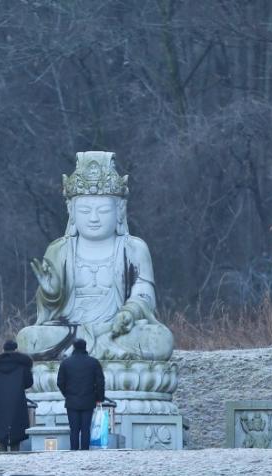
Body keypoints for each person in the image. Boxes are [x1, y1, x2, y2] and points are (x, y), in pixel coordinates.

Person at [16, 151, 174, 361]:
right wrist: (51, 294)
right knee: (29, 338)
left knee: (159, 339)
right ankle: (103, 354)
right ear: (71, 211)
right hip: (71, 331)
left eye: (102, 210)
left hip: (116, 330)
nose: (93, 218)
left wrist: (129, 313)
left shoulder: (133, 248)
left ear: (119, 210)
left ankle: (89, 353)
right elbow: (50, 311)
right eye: (84, 210)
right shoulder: (59, 249)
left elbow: (144, 293)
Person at [0, 340, 34, 452]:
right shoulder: (23, 364)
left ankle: (2, 453)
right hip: (17, 401)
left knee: (1, 430)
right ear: (16, 349)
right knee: (17, 431)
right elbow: (29, 383)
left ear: (3, 349)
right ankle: (15, 455)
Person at [56, 339, 105, 450]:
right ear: (85, 347)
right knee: (85, 428)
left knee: (74, 429)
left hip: (72, 400)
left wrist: (67, 394)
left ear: (73, 347)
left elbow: (60, 382)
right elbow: (100, 382)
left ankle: (73, 450)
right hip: (88, 399)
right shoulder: (93, 362)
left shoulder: (66, 363)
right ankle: (85, 450)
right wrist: (99, 398)